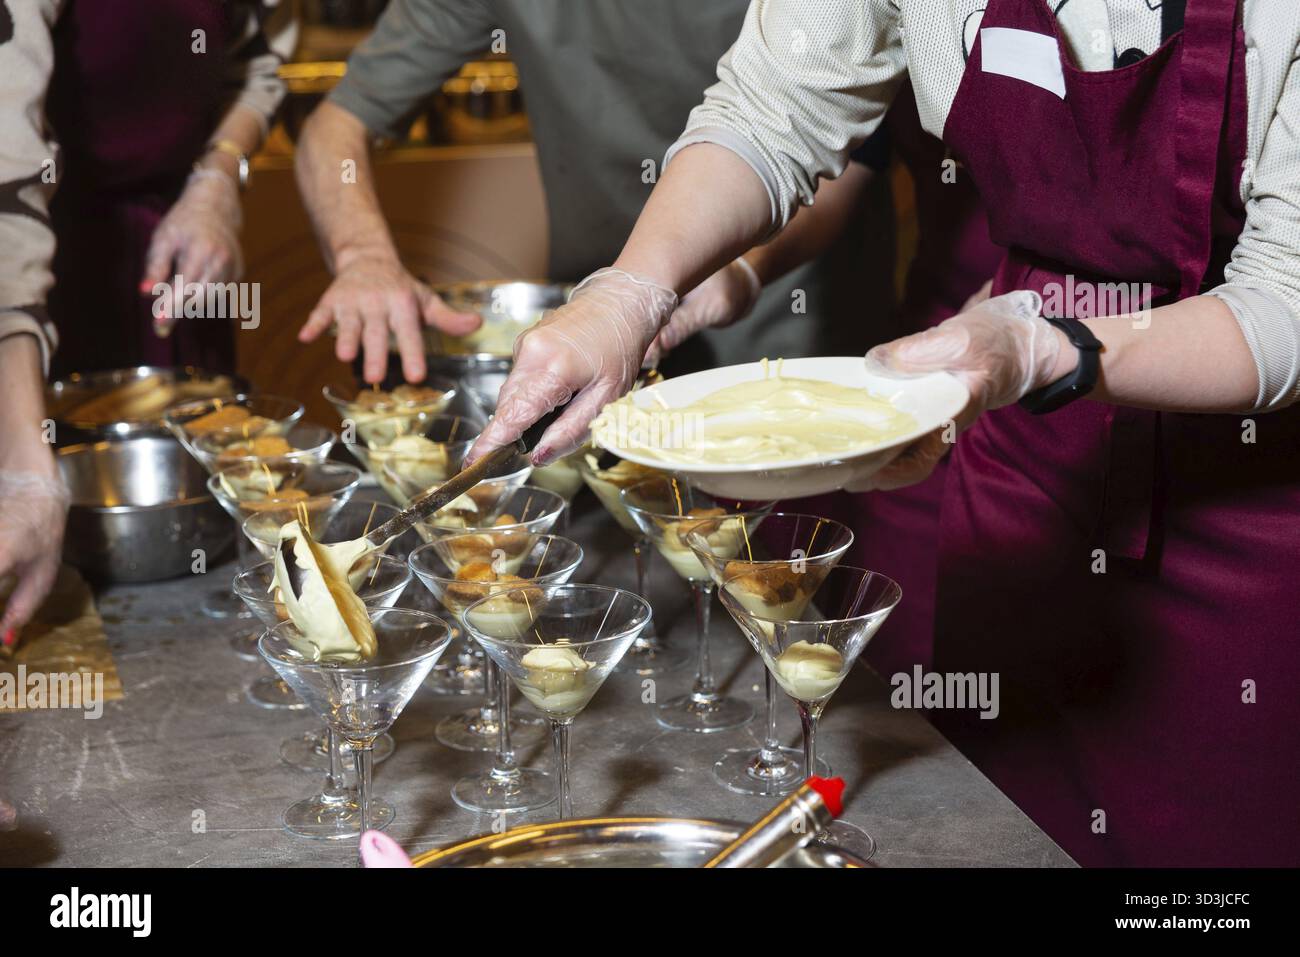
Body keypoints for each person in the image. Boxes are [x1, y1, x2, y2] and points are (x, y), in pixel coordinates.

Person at [473, 0, 1300, 867]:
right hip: (1032, 472)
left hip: (1247, 517)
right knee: (995, 829)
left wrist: (1043, 345)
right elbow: (772, 108)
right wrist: (628, 292)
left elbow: (1283, 292)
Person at [293, 0, 889, 387]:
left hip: (780, 335)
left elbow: (851, 156)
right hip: (592, 329)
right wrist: (363, 257)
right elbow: (336, 126)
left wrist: (748, 271)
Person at [0, 0, 296, 634]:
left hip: (174, 239)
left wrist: (216, 177)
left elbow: (259, 63)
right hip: (24, 261)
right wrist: (26, 466)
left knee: (199, 581)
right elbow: (6, 174)